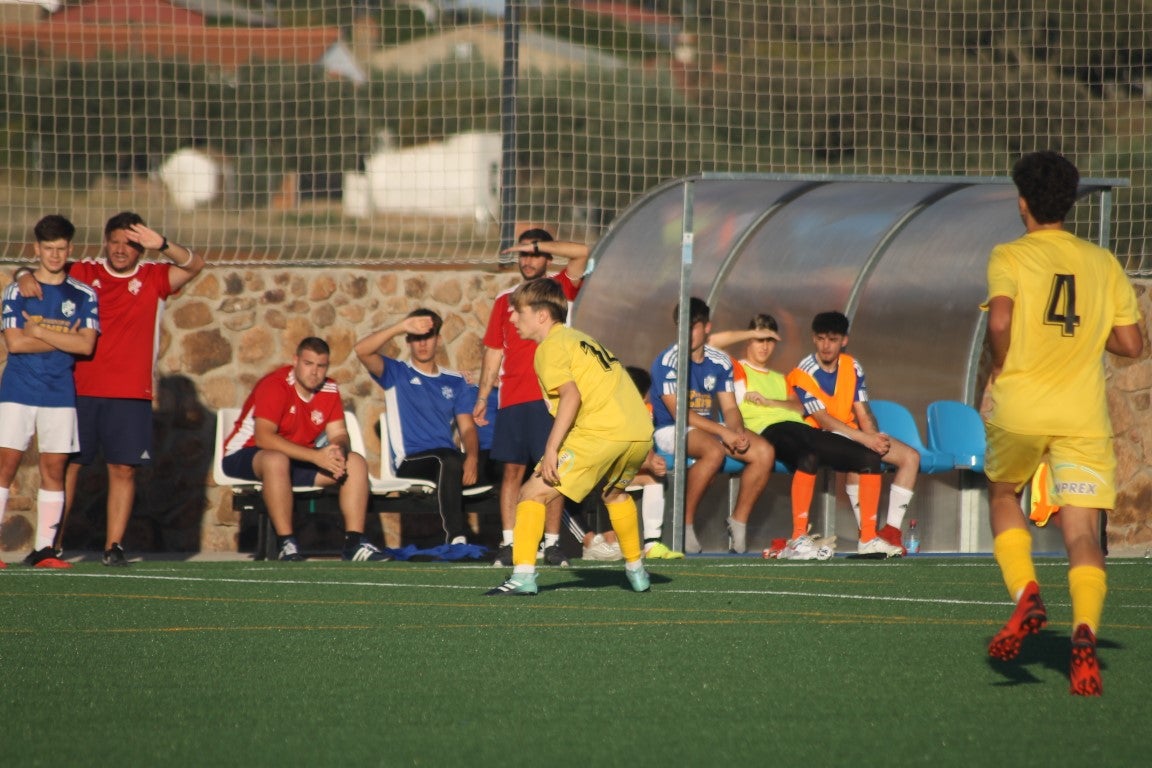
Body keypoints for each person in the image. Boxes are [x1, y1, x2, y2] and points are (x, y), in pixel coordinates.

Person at [982, 151, 1142, 696]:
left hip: (1023, 404)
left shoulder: (1010, 254)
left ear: (1022, 203)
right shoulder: (1103, 263)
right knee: (1082, 532)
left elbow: (1000, 318)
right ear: (1071, 204)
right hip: (1082, 415)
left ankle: (1026, 592)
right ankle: (1083, 635)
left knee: (1004, 494)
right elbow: (1130, 344)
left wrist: (1002, 364)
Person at [13, 211, 205, 565]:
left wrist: (161, 244)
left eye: (130, 244)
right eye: (115, 241)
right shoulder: (85, 272)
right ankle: (50, 546)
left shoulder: (154, 277)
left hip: (130, 393)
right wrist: (24, 274)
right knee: (67, 466)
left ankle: (113, 546)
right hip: (78, 389)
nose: (120, 249)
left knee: (123, 469)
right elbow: (46, 266)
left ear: (141, 248)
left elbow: (195, 265)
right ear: (105, 242)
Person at [486, 279, 652, 595]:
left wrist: (551, 449)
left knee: (532, 493)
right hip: (638, 432)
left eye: (517, 312)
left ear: (541, 316)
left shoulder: (549, 347)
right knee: (615, 495)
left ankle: (522, 577)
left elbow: (571, 396)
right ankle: (636, 570)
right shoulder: (581, 339)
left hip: (603, 432)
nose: (511, 319)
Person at [473, 228, 592, 567]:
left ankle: (552, 544)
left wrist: (538, 244)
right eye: (523, 254)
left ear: (546, 257)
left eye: (535, 254)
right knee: (512, 470)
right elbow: (494, 350)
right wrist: (483, 396)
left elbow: (582, 251)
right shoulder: (504, 300)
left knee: (551, 469)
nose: (528, 260)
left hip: (551, 398)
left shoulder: (560, 289)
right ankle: (509, 543)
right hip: (512, 397)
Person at [222, 337, 390, 562]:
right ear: (296, 361)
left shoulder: (329, 388)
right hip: (246, 453)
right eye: (308, 364)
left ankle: (354, 543)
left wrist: (338, 451)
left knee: (356, 463)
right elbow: (263, 438)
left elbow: (339, 433)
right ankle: (287, 544)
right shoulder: (275, 385)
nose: (315, 372)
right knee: (276, 460)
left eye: (321, 366)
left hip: (294, 457)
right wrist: (316, 457)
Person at [0, 215, 99, 569]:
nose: (54, 256)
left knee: (54, 467)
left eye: (61, 249)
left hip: (59, 391)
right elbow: (15, 343)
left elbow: (86, 346)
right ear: (36, 249)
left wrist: (39, 332)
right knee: (5, 465)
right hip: (17, 389)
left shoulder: (83, 294)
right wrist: (63, 339)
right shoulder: (17, 290)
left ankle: (44, 550)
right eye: (48, 249)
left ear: (69, 249)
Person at [650, 297, 775, 554]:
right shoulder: (667, 361)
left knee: (764, 452)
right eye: (681, 326)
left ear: (707, 327)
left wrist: (737, 432)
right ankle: (683, 525)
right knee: (714, 451)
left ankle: (738, 521)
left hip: (708, 428)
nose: (686, 333)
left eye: (692, 326)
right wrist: (723, 432)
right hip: (671, 429)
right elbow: (680, 413)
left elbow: (729, 407)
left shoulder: (719, 361)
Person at [784, 311, 913, 558]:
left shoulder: (852, 366)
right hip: (817, 435)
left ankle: (889, 532)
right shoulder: (804, 371)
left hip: (849, 433)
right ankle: (866, 535)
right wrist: (866, 440)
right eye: (821, 339)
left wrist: (875, 437)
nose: (826, 345)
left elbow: (862, 411)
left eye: (832, 339)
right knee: (865, 457)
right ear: (814, 339)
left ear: (844, 340)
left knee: (910, 457)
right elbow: (822, 419)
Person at [354, 309, 480, 545]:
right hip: (411, 461)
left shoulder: (455, 381)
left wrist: (472, 456)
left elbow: (468, 428)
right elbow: (362, 350)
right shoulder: (397, 373)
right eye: (416, 337)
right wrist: (401, 326)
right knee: (449, 459)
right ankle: (456, 536)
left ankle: (514, 540)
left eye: (428, 336)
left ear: (439, 339)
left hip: (448, 460)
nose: (422, 343)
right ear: (408, 341)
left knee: (500, 461)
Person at [624, 365, 682, 560]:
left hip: (621, 472)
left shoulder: (643, 411)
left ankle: (651, 544)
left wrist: (651, 461)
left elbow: (643, 445)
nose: (649, 398)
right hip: (598, 474)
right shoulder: (612, 411)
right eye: (647, 393)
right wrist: (647, 463)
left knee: (653, 477)